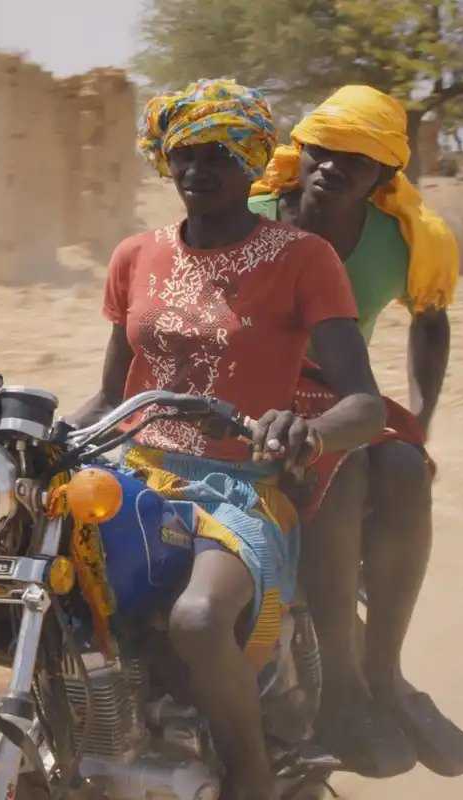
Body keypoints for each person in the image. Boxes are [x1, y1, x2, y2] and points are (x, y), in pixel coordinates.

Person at [67, 79, 386, 800]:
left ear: (252, 162)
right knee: (29, 588)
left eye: (217, 154)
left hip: (241, 487)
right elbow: (112, 395)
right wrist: (43, 438)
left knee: (200, 618)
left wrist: (307, 432)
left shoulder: (302, 257)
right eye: (184, 153)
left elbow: (365, 406)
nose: (195, 169)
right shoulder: (134, 255)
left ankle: (251, 777)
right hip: (134, 477)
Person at [248, 86, 463, 778]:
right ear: (301, 148)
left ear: (384, 174)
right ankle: (341, 687)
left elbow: (430, 321)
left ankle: (386, 672)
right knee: (344, 473)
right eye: (322, 150)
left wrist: (421, 421)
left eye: (355, 160)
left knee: (405, 468)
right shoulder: (253, 216)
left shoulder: (405, 239)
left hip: (339, 394)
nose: (331, 167)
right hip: (254, 396)